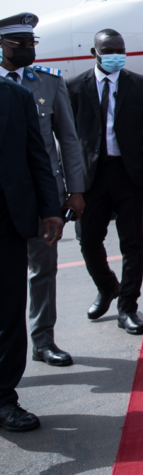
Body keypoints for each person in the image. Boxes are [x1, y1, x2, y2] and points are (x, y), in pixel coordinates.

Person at [0, 12, 85, 368]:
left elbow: (68, 139)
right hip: (5, 200)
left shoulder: (48, 82)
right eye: (19, 43)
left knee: (43, 271)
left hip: (42, 196)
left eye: (30, 43)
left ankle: (43, 340)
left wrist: (75, 189)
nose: (26, 49)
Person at [67, 29, 143, 334]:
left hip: (129, 174)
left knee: (133, 243)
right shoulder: (74, 87)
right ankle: (107, 287)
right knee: (88, 240)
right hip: (91, 177)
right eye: (109, 50)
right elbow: (66, 137)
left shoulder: (142, 85)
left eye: (120, 50)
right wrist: (69, 183)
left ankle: (127, 306)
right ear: (94, 53)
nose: (116, 55)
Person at [0, 74, 63, 432]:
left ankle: (4, 399)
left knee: (8, 313)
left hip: (7, 221)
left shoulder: (16, 96)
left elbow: (36, 155)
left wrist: (49, 209)